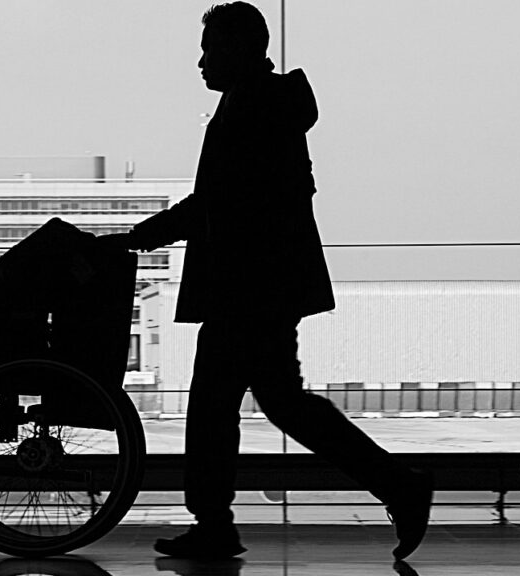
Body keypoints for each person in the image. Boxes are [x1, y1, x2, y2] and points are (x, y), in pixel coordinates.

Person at [99, 2, 433, 561]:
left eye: (210, 48)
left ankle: (222, 522)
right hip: (262, 286)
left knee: (219, 403)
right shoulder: (261, 104)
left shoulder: (251, 110)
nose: (201, 61)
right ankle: (390, 485)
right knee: (271, 401)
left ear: (239, 49)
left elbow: (213, 205)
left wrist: (138, 237)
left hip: (247, 288)